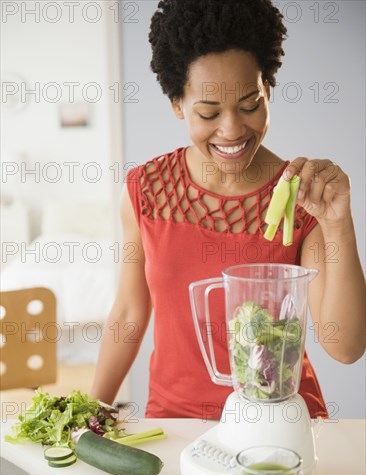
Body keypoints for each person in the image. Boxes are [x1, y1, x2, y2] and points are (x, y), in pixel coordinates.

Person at [90, 0, 365, 419]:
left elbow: (345, 346)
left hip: (282, 425)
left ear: (268, 90)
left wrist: (339, 224)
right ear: (178, 104)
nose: (233, 129)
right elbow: (129, 311)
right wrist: (91, 413)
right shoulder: (146, 190)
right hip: (176, 425)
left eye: (250, 105)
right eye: (209, 112)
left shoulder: (300, 199)